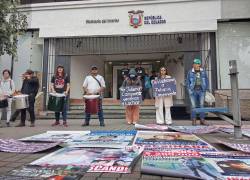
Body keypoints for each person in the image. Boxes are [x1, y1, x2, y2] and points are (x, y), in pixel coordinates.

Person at [186, 58, 209, 126]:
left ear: (199, 64)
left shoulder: (203, 71)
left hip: (201, 90)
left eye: (197, 63)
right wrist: (189, 89)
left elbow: (207, 80)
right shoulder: (190, 72)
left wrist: (205, 88)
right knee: (193, 106)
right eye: (194, 63)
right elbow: (187, 81)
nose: (195, 65)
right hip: (193, 91)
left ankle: (202, 120)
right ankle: (194, 120)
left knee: (202, 105)